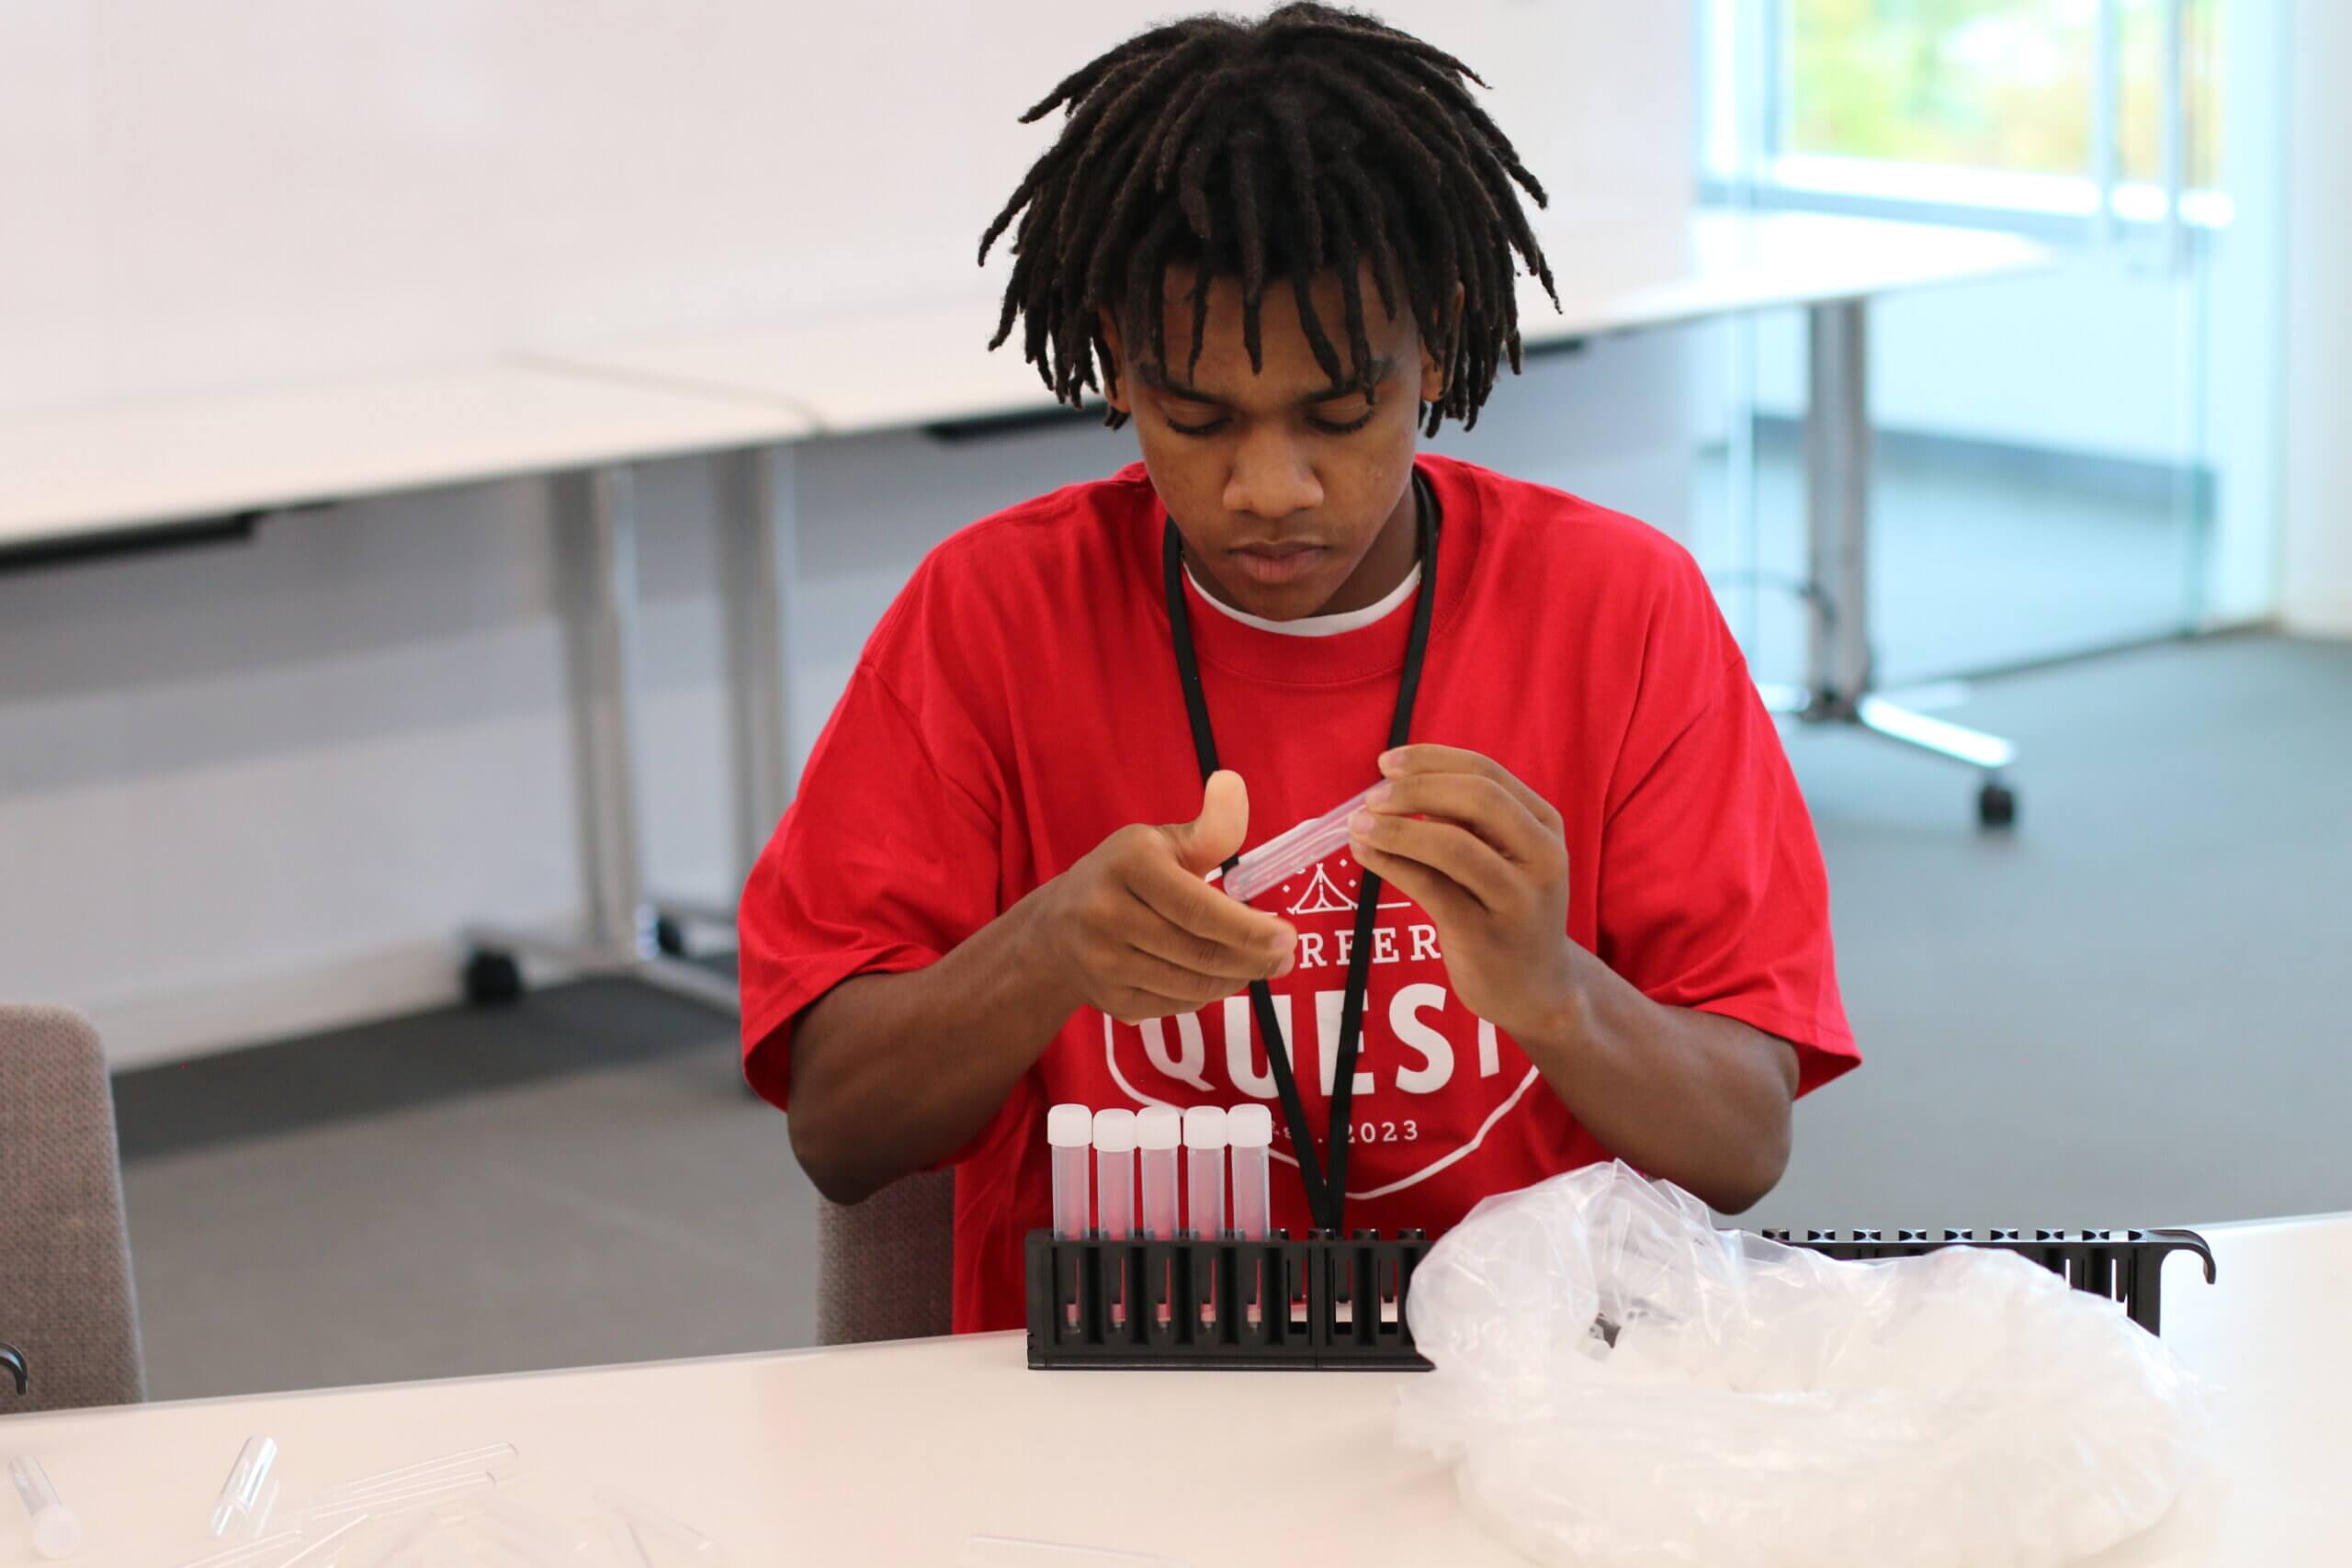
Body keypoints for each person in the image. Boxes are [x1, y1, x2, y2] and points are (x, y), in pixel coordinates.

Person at [739, 3, 1859, 1332]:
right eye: (1196, 417)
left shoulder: (1620, 610)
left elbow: (1742, 1148)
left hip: (1523, 1382)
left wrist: (1552, 990)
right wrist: (1045, 950)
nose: (1269, 490)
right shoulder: (989, 615)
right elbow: (839, 1132)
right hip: (1118, 1387)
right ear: (1112, 358)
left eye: (1341, 412)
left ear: (1437, 344)